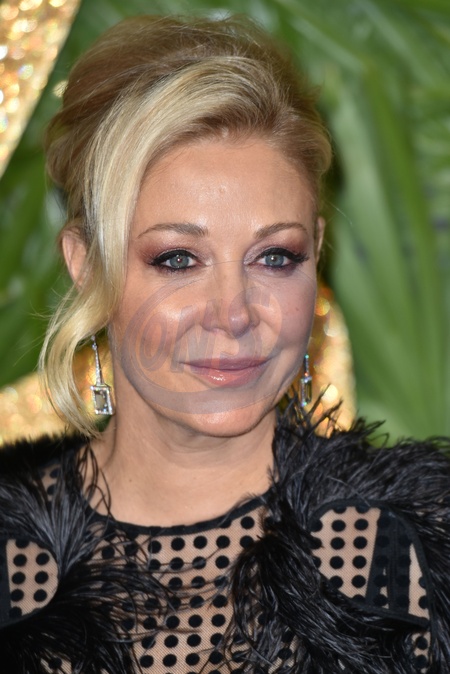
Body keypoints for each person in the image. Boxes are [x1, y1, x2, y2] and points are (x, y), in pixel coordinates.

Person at [0, 14, 448, 674]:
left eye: (275, 257)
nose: (234, 314)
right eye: (178, 259)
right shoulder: (12, 553)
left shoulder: (407, 551)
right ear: (87, 265)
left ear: (316, 254)